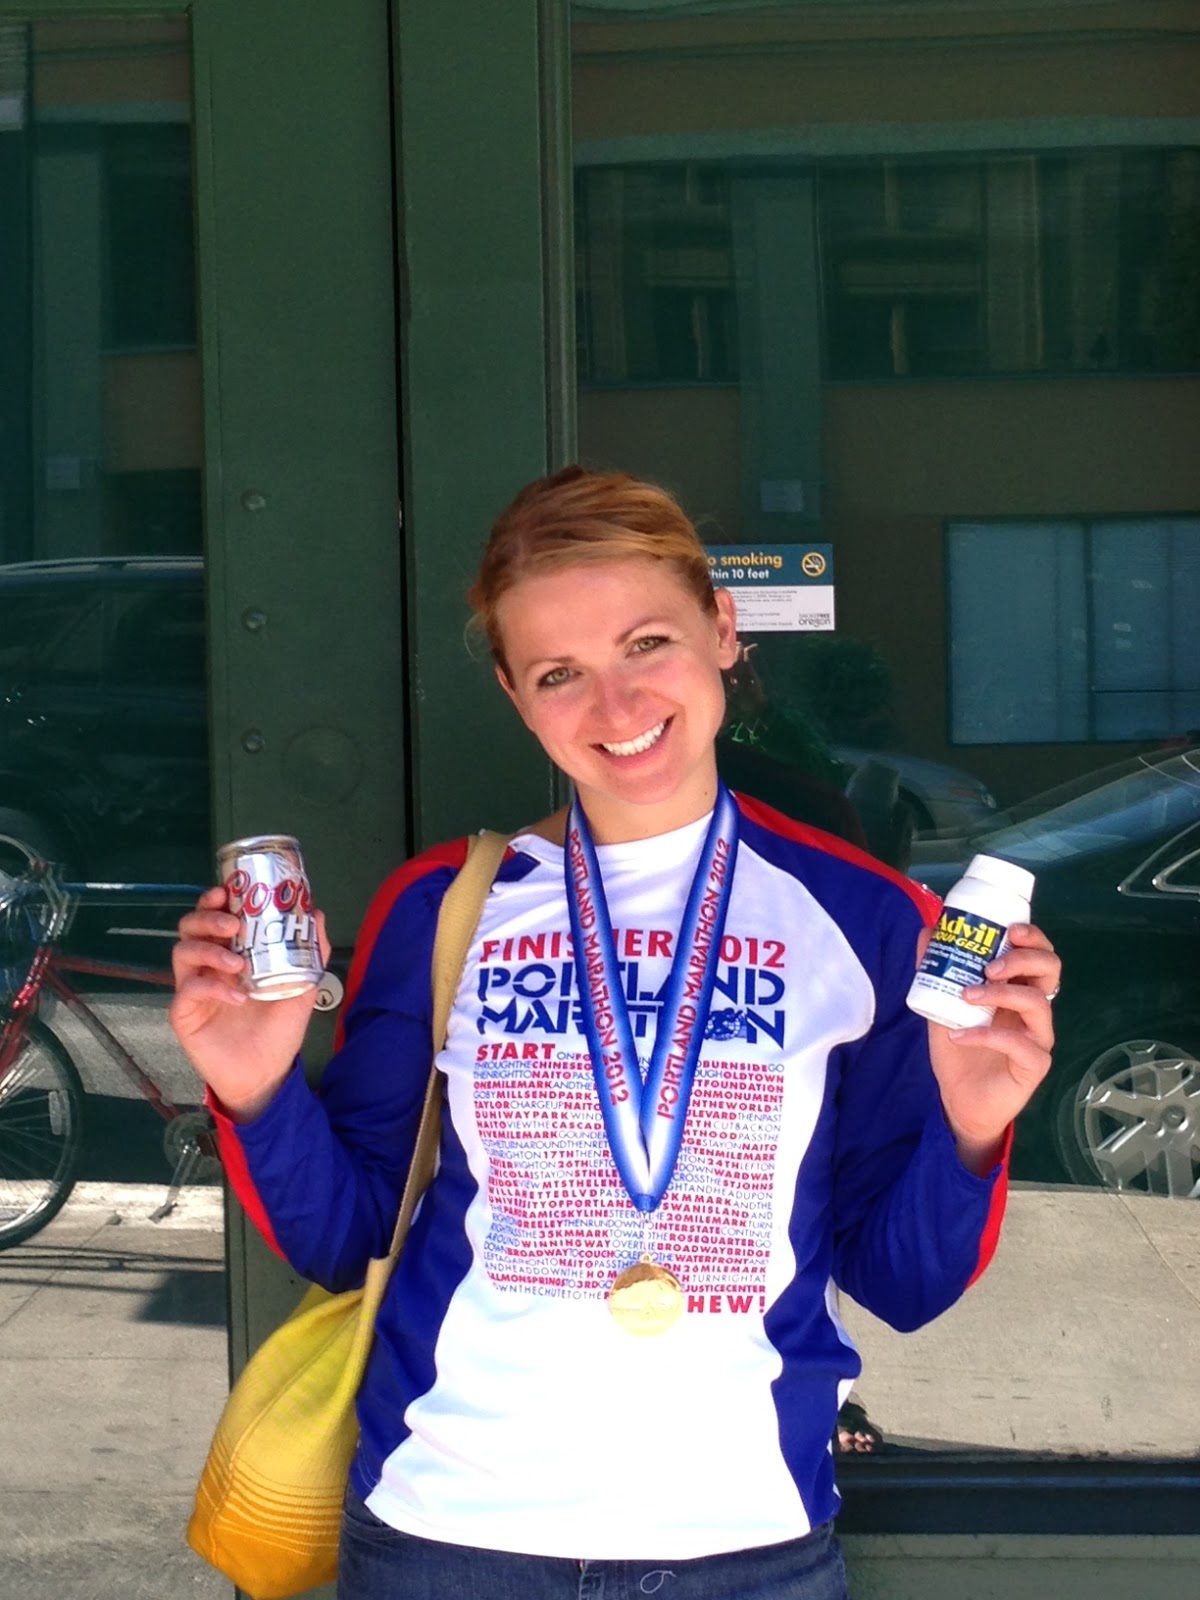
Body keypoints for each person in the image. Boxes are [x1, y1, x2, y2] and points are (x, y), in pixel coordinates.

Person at [171, 465, 1061, 1600]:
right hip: (445, 1537)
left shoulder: (867, 920)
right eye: (560, 673)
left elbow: (905, 1282)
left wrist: (974, 1129)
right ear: (515, 693)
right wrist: (256, 1091)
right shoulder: (446, 909)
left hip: (746, 1551)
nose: (618, 705)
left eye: (648, 644)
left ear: (723, 630)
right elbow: (350, 1240)